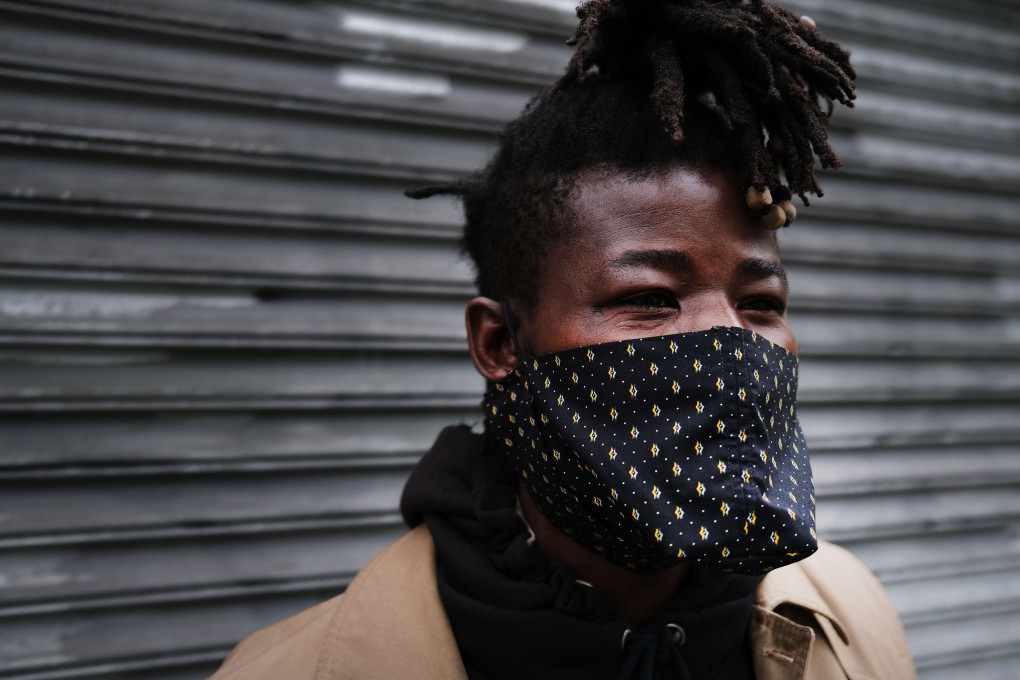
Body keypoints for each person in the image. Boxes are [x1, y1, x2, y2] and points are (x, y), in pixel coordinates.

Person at [211, 0, 916, 678]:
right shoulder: (302, 670)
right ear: (499, 344)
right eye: (648, 299)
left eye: (761, 302)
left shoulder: (853, 618)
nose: (730, 338)